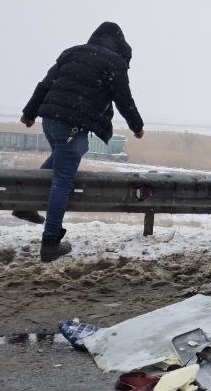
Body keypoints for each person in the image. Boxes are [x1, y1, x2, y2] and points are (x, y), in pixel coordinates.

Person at [20, 22, 145, 261]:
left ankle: (25, 204)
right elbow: (123, 98)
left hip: (50, 119)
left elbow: (45, 84)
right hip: (71, 122)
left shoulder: (72, 52)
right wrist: (136, 126)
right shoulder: (115, 63)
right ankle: (50, 241)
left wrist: (29, 112)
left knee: (62, 158)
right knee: (62, 181)